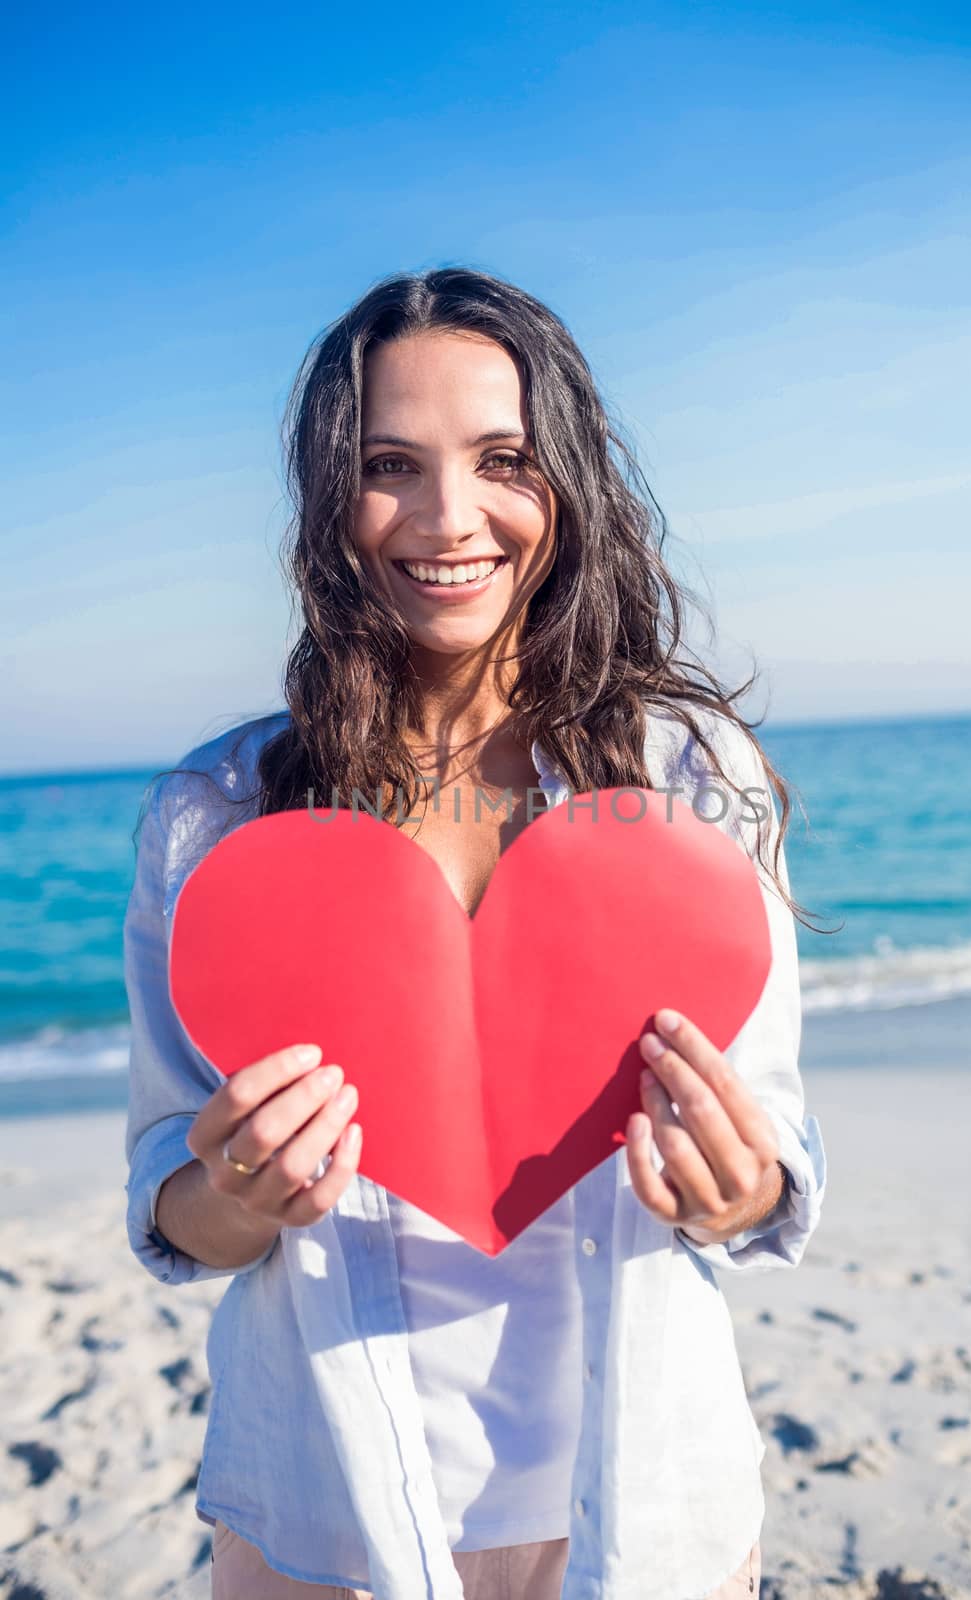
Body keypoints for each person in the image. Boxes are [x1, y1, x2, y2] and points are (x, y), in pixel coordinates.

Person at [123, 266, 827, 1600]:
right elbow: (173, 1200)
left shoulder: (688, 785)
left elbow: (770, 1164)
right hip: (326, 1503)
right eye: (392, 463)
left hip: (641, 1503)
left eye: (502, 458)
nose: (450, 518)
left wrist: (734, 1186)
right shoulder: (215, 820)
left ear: (565, 478)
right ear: (330, 496)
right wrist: (236, 1194)